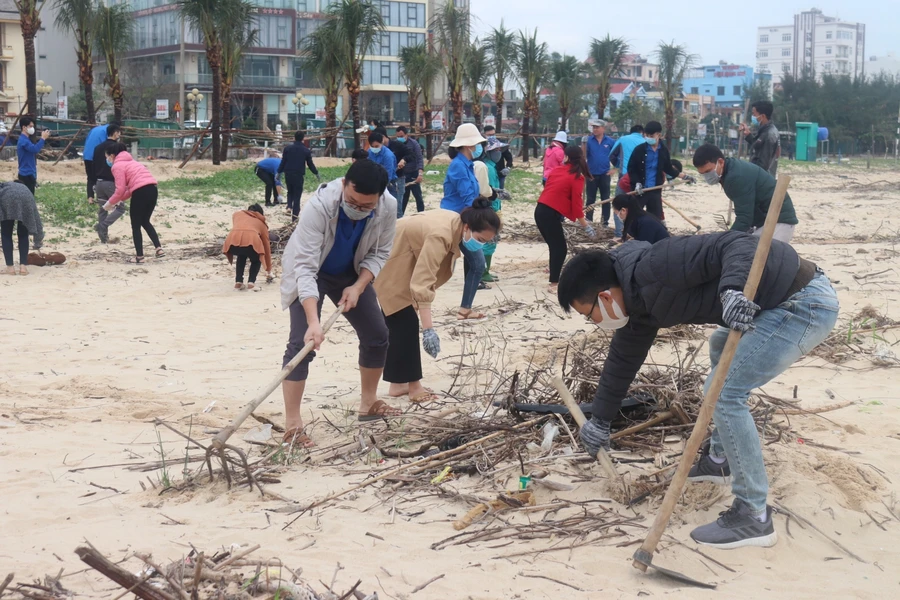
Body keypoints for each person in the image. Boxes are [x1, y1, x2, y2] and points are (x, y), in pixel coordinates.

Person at [557, 233, 838, 549]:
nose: (592, 322)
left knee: (723, 392)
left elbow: (741, 245)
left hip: (802, 303)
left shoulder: (656, 266)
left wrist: (731, 292)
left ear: (605, 297)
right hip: (774, 304)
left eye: (587, 313)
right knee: (720, 343)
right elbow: (623, 358)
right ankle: (721, 459)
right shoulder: (637, 303)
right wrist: (601, 420)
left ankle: (753, 515)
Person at [279, 159, 398, 446]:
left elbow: (380, 253)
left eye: (366, 206)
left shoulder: (388, 206)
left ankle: (368, 404)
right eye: (352, 201)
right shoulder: (319, 206)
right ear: (344, 184)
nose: (357, 209)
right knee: (301, 344)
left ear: (379, 198)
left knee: (377, 335)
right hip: (312, 270)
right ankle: (293, 425)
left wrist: (358, 286)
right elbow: (305, 267)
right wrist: (313, 322)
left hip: (352, 271)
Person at [375, 202, 501, 402]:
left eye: (486, 242)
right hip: (391, 258)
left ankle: (398, 384)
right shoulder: (441, 235)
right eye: (479, 239)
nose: (480, 245)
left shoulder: (456, 223)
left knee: (397, 322)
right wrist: (428, 330)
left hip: (402, 255)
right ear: (467, 227)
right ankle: (414, 387)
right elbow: (423, 282)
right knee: (405, 322)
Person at [693, 143, 798, 243]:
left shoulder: (736, 177)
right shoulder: (729, 169)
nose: (707, 177)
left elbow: (744, 218)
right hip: (763, 221)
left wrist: (725, 239)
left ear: (720, 162)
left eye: (708, 171)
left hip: (778, 221)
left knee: (763, 259)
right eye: (702, 174)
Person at [440, 123, 492, 320]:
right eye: (477, 144)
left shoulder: (467, 165)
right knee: (478, 264)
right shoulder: (458, 166)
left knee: (473, 263)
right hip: (459, 221)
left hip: (466, 219)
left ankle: (465, 308)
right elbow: (466, 198)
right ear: (469, 145)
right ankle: (464, 309)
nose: (479, 147)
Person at [534, 146, 597, 292]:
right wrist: (585, 225)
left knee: (555, 245)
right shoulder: (577, 177)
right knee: (560, 248)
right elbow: (576, 203)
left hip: (540, 210)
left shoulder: (557, 170)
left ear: (567, 157)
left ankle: (552, 269)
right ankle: (554, 283)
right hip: (549, 214)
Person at [103, 142, 163, 264]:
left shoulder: (117, 166)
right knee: (145, 221)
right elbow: (130, 189)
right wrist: (117, 201)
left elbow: (120, 190)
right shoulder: (133, 162)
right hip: (152, 190)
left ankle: (139, 257)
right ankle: (159, 248)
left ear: (112, 156)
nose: (107, 160)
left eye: (107, 157)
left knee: (136, 225)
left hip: (140, 192)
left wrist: (109, 203)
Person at [627, 121, 693, 220]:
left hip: (655, 190)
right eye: (646, 135)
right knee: (634, 216)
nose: (648, 137)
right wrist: (637, 183)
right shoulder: (639, 150)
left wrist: (684, 176)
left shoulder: (663, 151)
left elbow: (668, 168)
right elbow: (631, 168)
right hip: (640, 190)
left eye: (651, 135)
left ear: (659, 135)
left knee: (655, 218)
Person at [223, 203, 273, 290]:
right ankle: (251, 282)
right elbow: (266, 247)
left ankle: (238, 282)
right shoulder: (261, 223)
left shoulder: (237, 215)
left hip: (232, 243)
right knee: (256, 260)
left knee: (241, 255)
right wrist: (268, 270)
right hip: (251, 242)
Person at [0, 181, 44, 276]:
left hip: (7, 198)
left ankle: (10, 268)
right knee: (23, 233)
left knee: (6, 234)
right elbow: (36, 217)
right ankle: (23, 267)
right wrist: (38, 239)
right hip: (26, 199)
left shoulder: (4, 186)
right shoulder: (25, 188)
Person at [91, 123, 124, 244]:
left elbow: (93, 166)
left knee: (103, 209)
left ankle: (103, 239)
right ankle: (103, 225)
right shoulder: (118, 147)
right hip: (111, 182)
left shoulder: (97, 147)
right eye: (119, 132)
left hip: (99, 182)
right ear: (116, 133)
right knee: (120, 208)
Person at [279, 130, 320, 221]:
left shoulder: (287, 149)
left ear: (294, 138)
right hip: (298, 175)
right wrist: (316, 173)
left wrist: (278, 172)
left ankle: (289, 206)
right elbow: (310, 164)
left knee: (290, 191)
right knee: (297, 195)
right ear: (303, 139)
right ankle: (294, 217)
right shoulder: (306, 150)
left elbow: (283, 162)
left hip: (288, 173)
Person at [584, 120, 616, 227]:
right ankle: (588, 220)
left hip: (604, 174)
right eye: (593, 127)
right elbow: (583, 156)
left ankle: (604, 222)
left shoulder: (610, 141)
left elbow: (619, 155)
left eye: (597, 127)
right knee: (590, 199)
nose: (595, 129)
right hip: (591, 174)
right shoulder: (588, 141)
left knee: (605, 199)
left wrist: (615, 168)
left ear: (603, 128)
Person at [739, 100, 780, 176]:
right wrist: (748, 135)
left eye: (754, 114)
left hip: (763, 178)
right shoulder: (764, 130)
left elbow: (764, 163)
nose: (753, 117)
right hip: (759, 176)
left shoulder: (770, 134)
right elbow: (758, 145)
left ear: (763, 116)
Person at [16, 118, 51, 195]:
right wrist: (43, 138)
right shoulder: (23, 141)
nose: (32, 128)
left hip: (29, 172)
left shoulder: (26, 139)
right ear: (24, 127)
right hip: (26, 174)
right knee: (28, 197)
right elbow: (35, 149)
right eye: (30, 126)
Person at [396, 127, 424, 216]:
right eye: (398, 136)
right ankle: (401, 216)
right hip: (402, 175)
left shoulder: (414, 144)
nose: (399, 138)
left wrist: (420, 173)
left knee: (418, 196)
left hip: (413, 173)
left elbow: (420, 158)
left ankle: (422, 215)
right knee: (403, 197)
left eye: (401, 136)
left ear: (406, 135)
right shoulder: (396, 144)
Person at [366, 132, 398, 201]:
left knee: (390, 209)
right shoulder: (369, 152)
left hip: (388, 185)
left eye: (377, 146)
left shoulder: (388, 156)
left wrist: (379, 189)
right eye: (372, 146)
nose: (374, 148)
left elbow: (388, 176)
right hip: (373, 184)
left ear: (382, 143)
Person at [83, 122, 110, 204]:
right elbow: (107, 144)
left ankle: (90, 198)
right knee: (101, 177)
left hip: (87, 155)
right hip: (97, 156)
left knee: (90, 177)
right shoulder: (109, 130)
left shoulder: (95, 129)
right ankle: (103, 198)